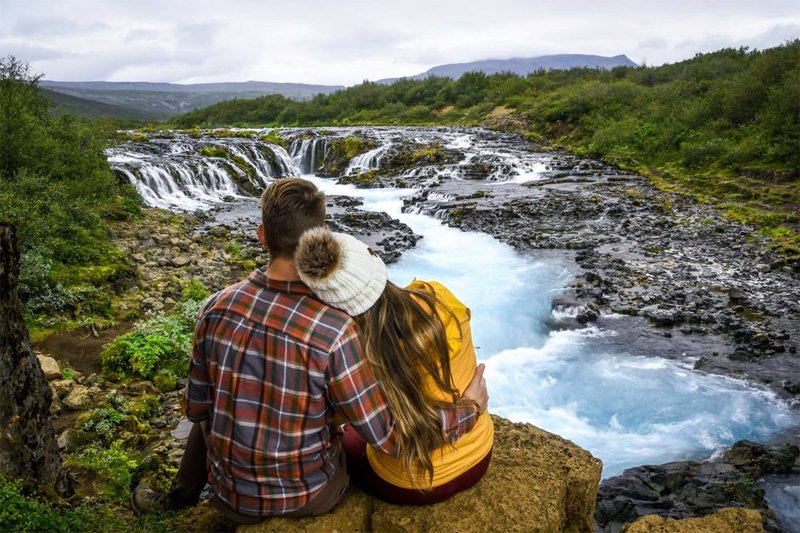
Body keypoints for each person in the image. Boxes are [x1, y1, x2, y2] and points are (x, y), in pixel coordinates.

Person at [130, 178, 488, 523]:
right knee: (343, 417)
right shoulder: (333, 330)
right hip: (307, 496)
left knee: (214, 403)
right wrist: (469, 408)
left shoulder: (214, 306)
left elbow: (195, 407)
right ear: (321, 240)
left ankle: (179, 497)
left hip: (229, 498)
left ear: (262, 236)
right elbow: (390, 437)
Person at [295, 227, 494, 505]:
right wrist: (472, 406)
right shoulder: (437, 296)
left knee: (346, 436)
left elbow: (387, 436)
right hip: (479, 457)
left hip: (410, 484)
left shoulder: (350, 352)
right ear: (375, 264)